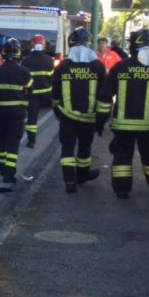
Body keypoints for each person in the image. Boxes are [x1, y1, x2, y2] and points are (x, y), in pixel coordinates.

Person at [96, 29, 149, 199]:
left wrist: (100, 120)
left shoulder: (120, 66)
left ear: (131, 46)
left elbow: (105, 97)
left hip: (122, 125)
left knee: (122, 156)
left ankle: (122, 189)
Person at [52, 27, 105, 193]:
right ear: (89, 43)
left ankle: (69, 181)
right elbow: (104, 93)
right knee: (84, 147)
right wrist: (101, 119)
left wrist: (59, 112)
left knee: (67, 148)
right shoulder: (98, 66)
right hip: (89, 117)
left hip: (67, 116)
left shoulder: (62, 66)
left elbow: (55, 94)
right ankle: (82, 176)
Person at [0, 38, 33, 184]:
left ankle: (2, 167)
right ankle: (9, 174)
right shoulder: (25, 72)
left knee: (1, 141)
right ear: (18, 53)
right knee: (13, 144)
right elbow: (30, 91)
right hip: (17, 114)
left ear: (3, 53)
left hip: (0, 113)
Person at [21, 34, 54, 148]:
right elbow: (52, 78)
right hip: (47, 94)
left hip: (33, 94)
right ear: (44, 46)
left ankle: (31, 141)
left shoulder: (26, 61)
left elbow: (23, 79)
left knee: (32, 119)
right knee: (58, 114)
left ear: (32, 46)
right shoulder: (50, 60)